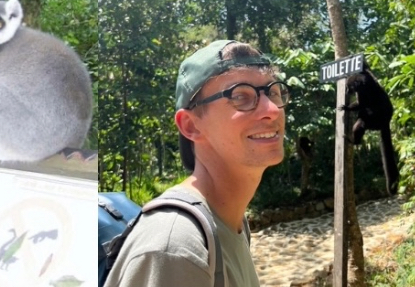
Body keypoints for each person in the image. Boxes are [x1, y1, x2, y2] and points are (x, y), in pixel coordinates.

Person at [105, 40, 290, 287]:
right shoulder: (175, 245)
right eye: (241, 96)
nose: (272, 110)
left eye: (273, 92)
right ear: (191, 126)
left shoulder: (231, 222)